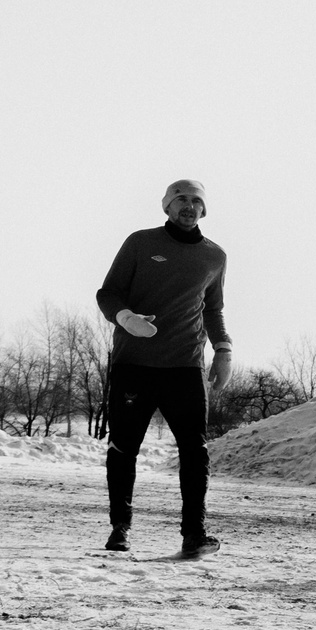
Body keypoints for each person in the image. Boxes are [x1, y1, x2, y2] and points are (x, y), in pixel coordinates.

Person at [94, 179, 233, 558]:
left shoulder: (214, 256)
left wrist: (223, 349)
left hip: (184, 367)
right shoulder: (141, 242)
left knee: (195, 450)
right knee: (124, 448)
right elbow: (107, 293)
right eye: (181, 200)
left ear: (204, 210)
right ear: (167, 207)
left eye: (196, 201)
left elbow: (213, 309)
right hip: (134, 363)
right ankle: (119, 528)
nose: (188, 206)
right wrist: (125, 318)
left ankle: (194, 534)